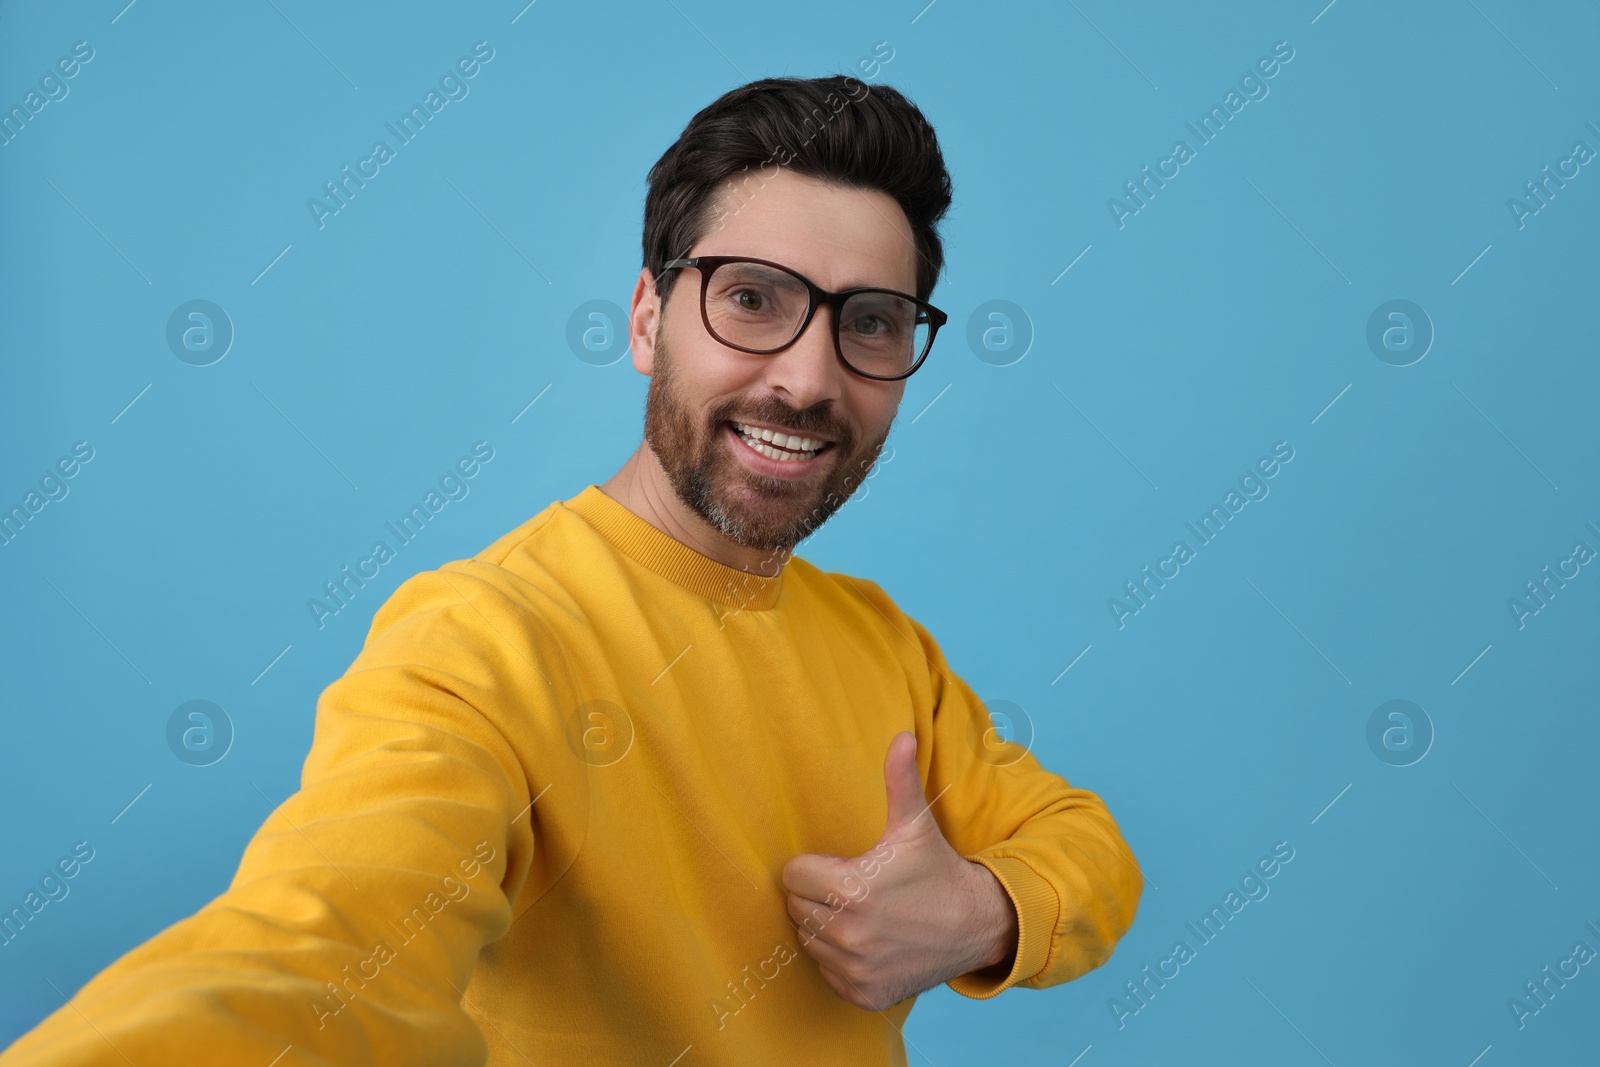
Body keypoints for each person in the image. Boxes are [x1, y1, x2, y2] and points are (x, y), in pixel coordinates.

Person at [1, 74, 1142, 1066]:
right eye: (751, 297)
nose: (807, 377)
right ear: (648, 318)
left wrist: (982, 911)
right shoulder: (480, 640)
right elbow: (326, 948)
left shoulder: (882, 642)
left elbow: (1083, 844)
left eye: (872, 322)